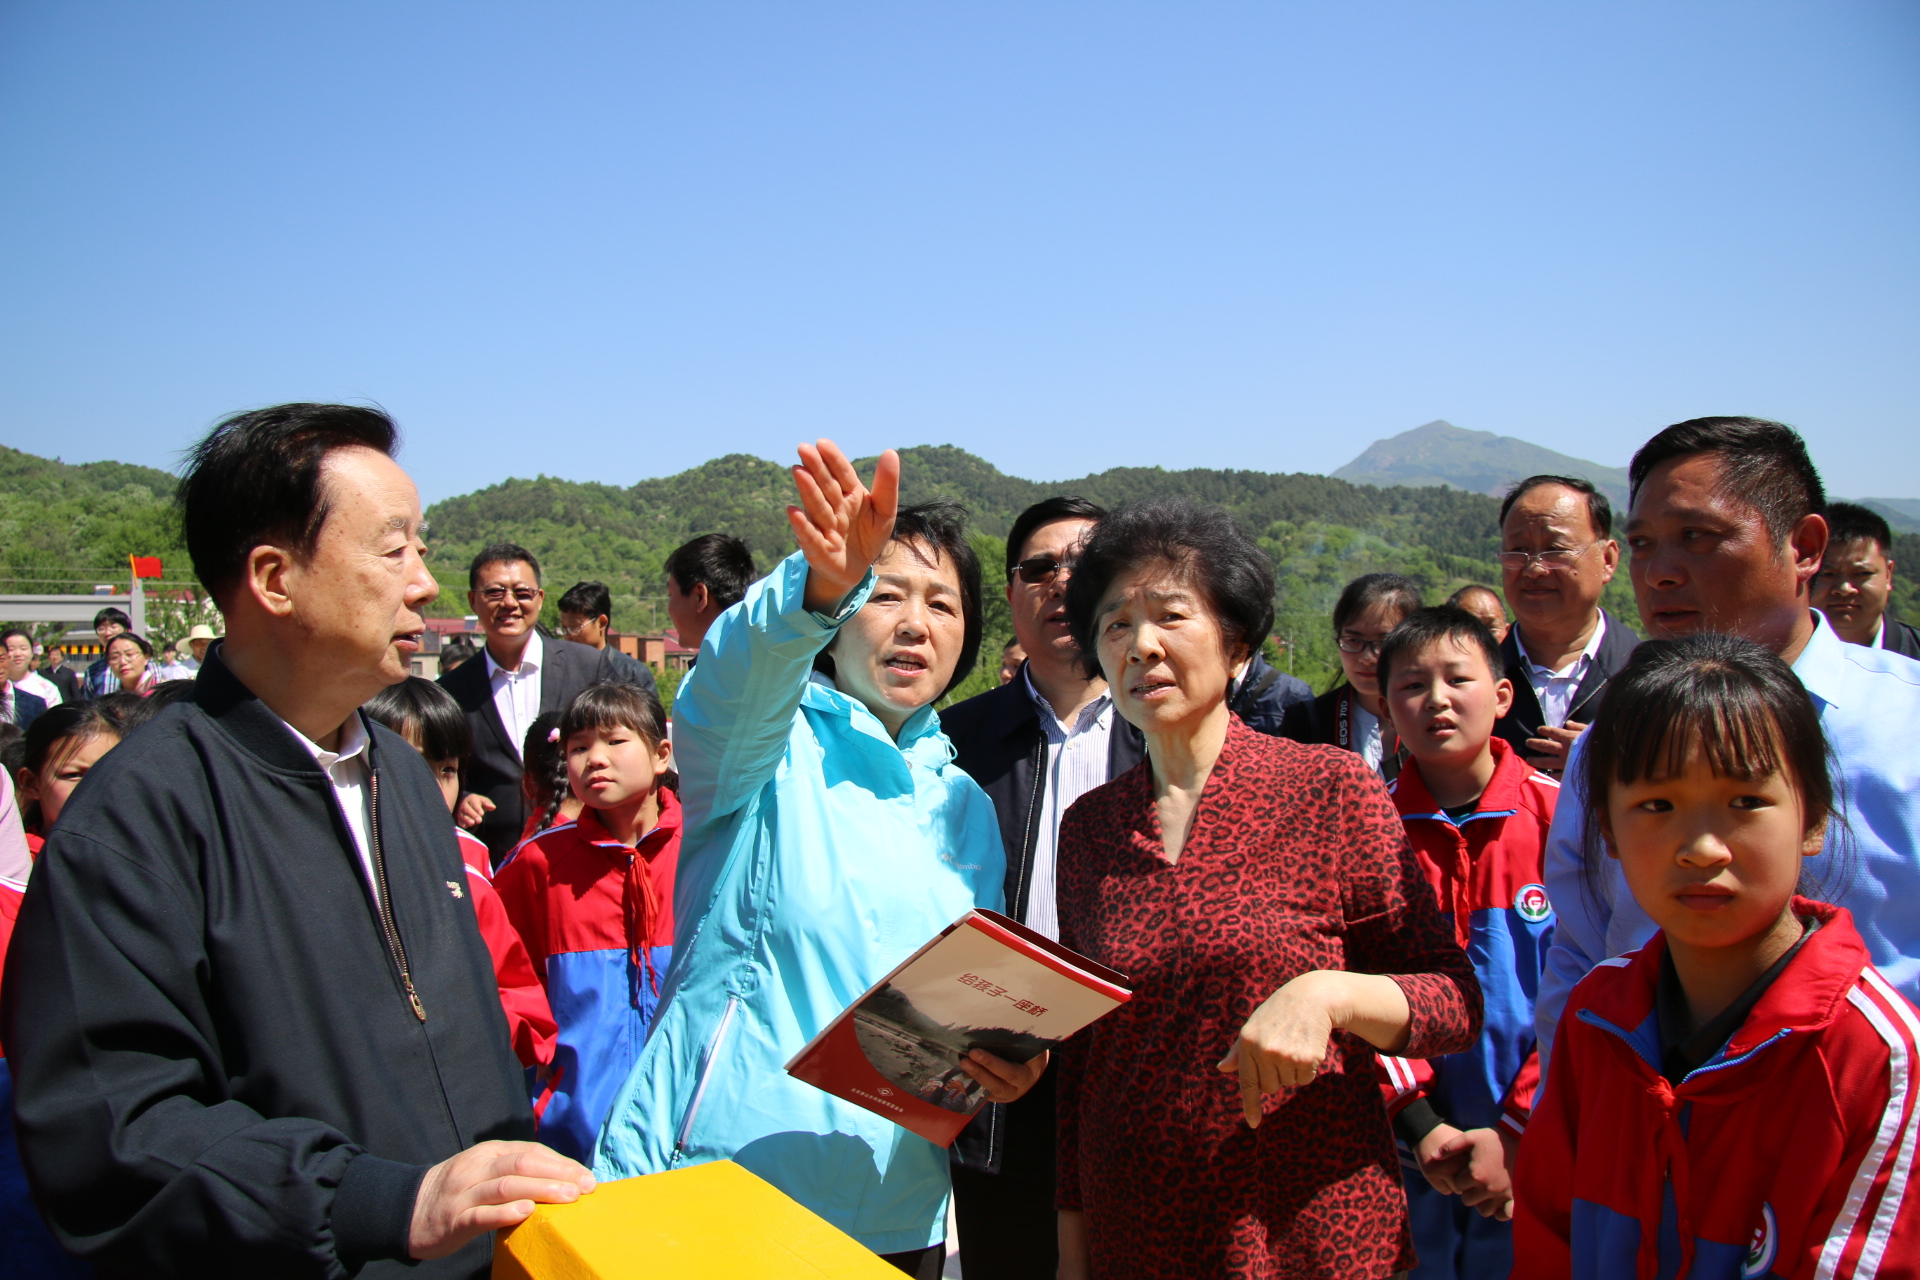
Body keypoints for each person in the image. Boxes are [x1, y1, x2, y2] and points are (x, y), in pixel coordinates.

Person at [0, 402, 592, 1279]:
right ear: (275, 579)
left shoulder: (399, 773)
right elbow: (116, 1135)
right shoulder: (136, 820)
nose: (425, 584)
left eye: (421, 548)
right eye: (395, 550)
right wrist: (382, 1204)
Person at [595, 444, 1038, 1278]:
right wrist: (820, 585)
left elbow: (957, 1003)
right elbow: (734, 676)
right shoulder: (765, 746)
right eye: (889, 595)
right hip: (729, 1185)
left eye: (944, 605)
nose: (917, 623)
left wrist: (1003, 1059)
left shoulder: (967, 807)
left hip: (902, 1207)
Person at [1053, 498, 1482, 1280]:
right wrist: (1074, 1248)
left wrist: (1329, 995)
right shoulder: (1091, 828)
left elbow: (1453, 1001)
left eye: (1170, 615)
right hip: (1136, 1227)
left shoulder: (1327, 790)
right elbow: (1088, 1057)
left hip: (1304, 1227)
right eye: (1114, 626)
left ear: (1237, 643)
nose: (1140, 645)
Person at [1513, 635, 1920, 1275]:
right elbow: (1546, 1240)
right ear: (1608, 831)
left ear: (1813, 818)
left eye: (1745, 802)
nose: (1702, 849)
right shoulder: (1598, 1014)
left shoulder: (1873, 1057)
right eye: (1656, 805)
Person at [1535, 416, 1920, 1080]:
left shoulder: (1905, 729)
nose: (1658, 574)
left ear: (1804, 547)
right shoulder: (1612, 745)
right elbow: (1580, 950)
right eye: (1645, 545)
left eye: (1696, 538)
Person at [938, 496, 1145, 1280]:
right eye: (1038, 568)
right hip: (998, 1076)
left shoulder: (1169, 735)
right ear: (1013, 594)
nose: (1061, 581)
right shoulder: (952, 742)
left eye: (1085, 563)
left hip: (1134, 1077)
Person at [1374, 606, 1559, 1277]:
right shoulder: (1366, 830)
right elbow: (1351, 987)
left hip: (1542, 1151)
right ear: (1387, 704)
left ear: (1503, 694)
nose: (1437, 700)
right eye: (1412, 685)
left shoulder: (1562, 821)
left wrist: (1517, 1129)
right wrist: (1420, 1122)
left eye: (1458, 678)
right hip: (1404, 1152)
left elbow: (1592, 988)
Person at [493, 683, 682, 1165]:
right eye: (579, 747)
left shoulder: (705, 847)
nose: (594, 758)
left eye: (614, 741)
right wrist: (546, 1076)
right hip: (573, 1133)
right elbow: (501, 979)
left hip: (689, 1123)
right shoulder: (537, 863)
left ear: (662, 755)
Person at [362, 678, 557, 1076]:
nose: (430, 786)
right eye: (410, 763)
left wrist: (472, 1024)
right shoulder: (334, 864)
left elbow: (523, 1007)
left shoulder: (468, 876)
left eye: (447, 769)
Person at [439, 544, 656, 862]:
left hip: (586, 855)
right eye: (495, 592)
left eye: (522, 592)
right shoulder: (452, 689)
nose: (509, 603)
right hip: (496, 861)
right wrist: (463, 798)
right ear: (473, 599)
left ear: (540, 599)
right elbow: (443, 769)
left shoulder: (588, 666)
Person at [1492, 476, 1640, 777]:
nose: (1534, 569)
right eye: (1518, 551)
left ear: (1608, 559)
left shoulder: (1647, 675)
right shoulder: (1474, 679)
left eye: (1555, 549)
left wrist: (1614, 763)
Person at [1279, 572, 1423, 777]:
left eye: (1383, 643)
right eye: (1353, 641)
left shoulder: (1435, 713)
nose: (1366, 657)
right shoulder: (1308, 721)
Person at [1813, 501, 1920, 659]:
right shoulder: (1774, 661)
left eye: (1861, 573)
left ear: (1888, 575)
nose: (1844, 589)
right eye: (1827, 574)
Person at [13, 703, 125, 853]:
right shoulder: (17, 865)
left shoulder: (149, 858)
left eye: (109, 772)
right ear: (31, 783)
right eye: (73, 775)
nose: (93, 788)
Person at [663, 532, 755, 655]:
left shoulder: (717, 672)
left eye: (671, 595)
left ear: (700, 596)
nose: (668, 609)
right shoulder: (771, 658)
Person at [555, 581, 657, 686]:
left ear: (601, 623)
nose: (567, 636)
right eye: (564, 628)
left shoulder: (632, 674)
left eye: (574, 627)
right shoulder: (558, 670)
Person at [4, 630, 64, 708]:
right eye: (11, 649)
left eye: (23, 648)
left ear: (32, 652)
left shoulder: (48, 688)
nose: (17, 654)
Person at [80, 607, 130, 697]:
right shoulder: (92, 671)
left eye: (113, 627)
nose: (107, 633)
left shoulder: (144, 665)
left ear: (127, 630)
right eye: (101, 628)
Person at [103, 632, 159, 697]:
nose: (122, 662)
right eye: (114, 657)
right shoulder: (111, 702)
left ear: (146, 657)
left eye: (130, 654)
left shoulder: (162, 695)